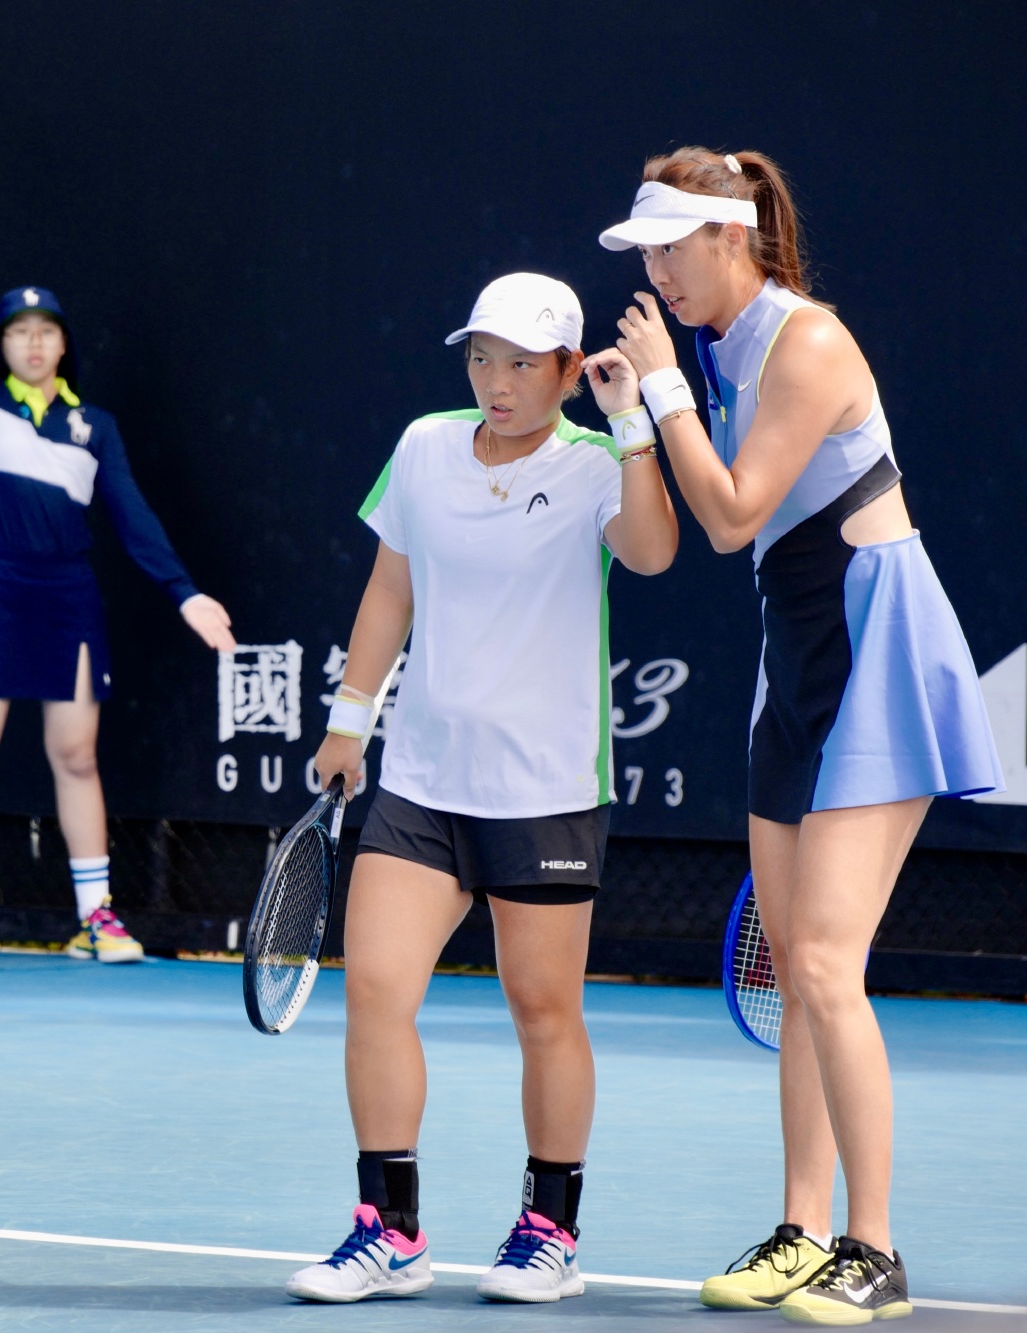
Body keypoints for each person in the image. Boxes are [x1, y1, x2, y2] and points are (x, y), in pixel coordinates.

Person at [592, 148, 1002, 1325]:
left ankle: (873, 1250)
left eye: (669, 248)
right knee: (788, 958)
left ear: (730, 236)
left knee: (825, 962)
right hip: (795, 650)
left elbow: (728, 517)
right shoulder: (715, 348)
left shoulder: (804, 341)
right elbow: (704, 521)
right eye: (644, 255)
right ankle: (799, 1229)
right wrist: (634, 413)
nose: (656, 273)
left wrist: (661, 390)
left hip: (876, 643)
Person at [283, 274, 678, 1304]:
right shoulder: (423, 447)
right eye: (480, 359)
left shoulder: (596, 463)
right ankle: (390, 1230)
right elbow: (391, 586)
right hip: (421, 781)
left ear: (567, 369)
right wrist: (348, 719)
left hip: (545, 787)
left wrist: (632, 422)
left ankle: (550, 1231)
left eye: (520, 364)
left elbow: (651, 553)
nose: (496, 382)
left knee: (543, 1010)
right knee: (374, 991)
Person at [0, 132, 236, 968]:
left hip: (68, 597)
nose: (33, 342)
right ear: (1, 346)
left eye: (46, 330)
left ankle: (97, 917)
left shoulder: (96, 428)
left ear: (64, 344)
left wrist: (184, 592)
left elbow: (132, 514)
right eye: (18, 331)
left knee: (75, 753)